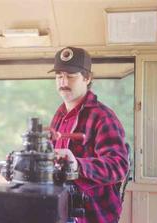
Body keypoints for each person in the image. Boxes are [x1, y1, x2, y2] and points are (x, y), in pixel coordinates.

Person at [48, 47, 129, 223]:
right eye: (59, 76)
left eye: (70, 76)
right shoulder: (59, 115)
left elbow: (119, 166)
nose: (63, 82)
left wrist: (77, 165)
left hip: (92, 214)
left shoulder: (103, 117)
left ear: (87, 78)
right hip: (61, 209)